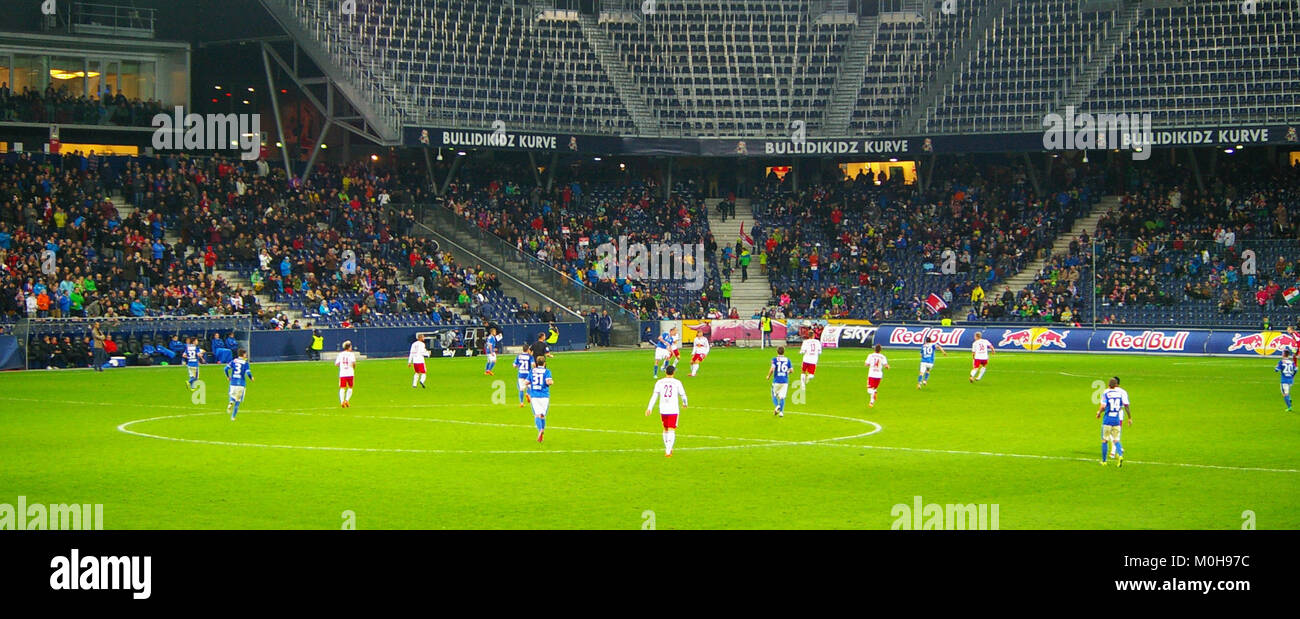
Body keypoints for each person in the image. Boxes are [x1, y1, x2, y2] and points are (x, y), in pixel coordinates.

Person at [646, 364, 688, 457]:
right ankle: (668, 451)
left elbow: (654, 396)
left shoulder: (659, 382)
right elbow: (683, 395)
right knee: (671, 429)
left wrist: (649, 408)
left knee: (665, 429)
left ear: (665, 372)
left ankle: (668, 448)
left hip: (663, 409)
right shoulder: (677, 382)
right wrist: (685, 403)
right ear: (674, 372)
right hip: (673, 409)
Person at [1096, 377, 1132, 466]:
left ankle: (1104, 461)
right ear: (1116, 385)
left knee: (1104, 440)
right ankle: (1120, 455)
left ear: (1108, 385)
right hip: (1117, 419)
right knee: (1116, 440)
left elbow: (1103, 406)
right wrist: (1130, 417)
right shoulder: (1120, 394)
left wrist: (1099, 412)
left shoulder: (1106, 393)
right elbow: (1125, 405)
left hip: (1107, 419)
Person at [529, 356, 554, 443]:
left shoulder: (532, 371)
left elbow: (527, 382)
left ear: (536, 363)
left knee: (537, 415)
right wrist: (551, 382)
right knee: (543, 415)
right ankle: (542, 431)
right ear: (544, 363)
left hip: (535, 395)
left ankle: (540, 430)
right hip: (544, 396)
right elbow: (549, 382)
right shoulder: (547, 371)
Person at [224, 348, 253, 420]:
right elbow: (248, 372)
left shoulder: (234, 361)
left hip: (233, 382)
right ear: (243, 354)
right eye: (245, 354)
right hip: (241, 383)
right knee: (238, 401)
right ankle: (233, 417)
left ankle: (231, 401)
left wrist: (228, 376)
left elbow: (225, 369)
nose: (246, 355)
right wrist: (251, 378)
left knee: (232, 396)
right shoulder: (245, 363)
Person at [765, 346, 792, 417]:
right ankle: (781, 412)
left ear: (777, 352)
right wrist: (786, 373)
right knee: (782, 397)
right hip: (785, 381)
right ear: (784, 352)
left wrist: (768, 376)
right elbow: (791, 370)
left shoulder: (775, 359)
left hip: (777, 380)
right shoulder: (788, 360)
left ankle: (777, 406)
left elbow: (772, 369)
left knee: (773, 395)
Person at [335, 340, 358, 408]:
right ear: (349, 347)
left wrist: (342, 366)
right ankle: (347, 400)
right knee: (350, 387)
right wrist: (353, 368)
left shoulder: (340, 354)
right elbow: (354, 363)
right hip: (350, 373)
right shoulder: (351, 354)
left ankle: (342, 401)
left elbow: (336, 364)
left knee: (342, 388)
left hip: (342, 373)